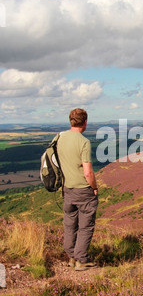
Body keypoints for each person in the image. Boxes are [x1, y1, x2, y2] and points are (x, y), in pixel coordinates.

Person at [57, 108, 98, 271]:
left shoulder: (59, 137)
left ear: (71, 121)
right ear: (85, 122)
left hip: (67, 188)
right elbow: (88, 171)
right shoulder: (84, 142)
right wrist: (94, 187)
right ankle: (81, 260)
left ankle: (72, 256)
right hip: (83, 190)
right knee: (85, 225)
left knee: (70, 224)